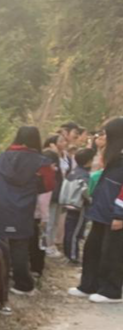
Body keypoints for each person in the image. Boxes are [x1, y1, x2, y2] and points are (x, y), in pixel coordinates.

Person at [0, 126, 56, 295]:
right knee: (19, 245)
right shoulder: (41, 162)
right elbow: (48, 185)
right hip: (23, 207)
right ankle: (23, 284)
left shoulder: (0, 158)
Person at [69, 116, 123, 303]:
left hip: (116, 214)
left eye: (105, 134)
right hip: (102, 211)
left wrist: (120, 215)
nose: (101, 137)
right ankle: (88, 285)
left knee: (112, 253)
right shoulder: (113, 157)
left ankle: (111, 290)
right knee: (93, 248)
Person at [60, 148, 95, 263]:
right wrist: (90, 199)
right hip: (79, 206)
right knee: (75, 232)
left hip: (68, 204)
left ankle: (67, 252)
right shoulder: (84, 175)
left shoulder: (73, 172)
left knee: (69, 229)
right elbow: (85, 190)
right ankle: (73, 255)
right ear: (88, 161)